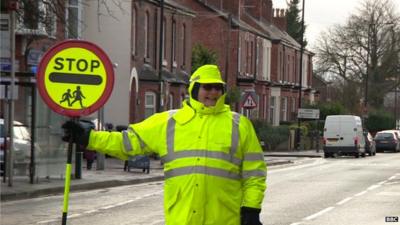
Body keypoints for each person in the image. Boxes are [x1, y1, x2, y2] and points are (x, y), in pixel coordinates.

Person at [62, 65, 266, 225]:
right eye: (207, 87)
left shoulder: (239, 125)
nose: (213, 92)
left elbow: (254, 175)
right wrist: (89, 138)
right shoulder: (169, 122)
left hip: (225, 220)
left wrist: (251, 209)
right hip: (182, 220)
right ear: (195, 89)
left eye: (217, 88)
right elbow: (127, 142)